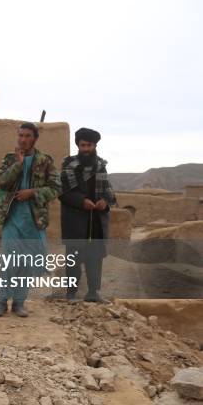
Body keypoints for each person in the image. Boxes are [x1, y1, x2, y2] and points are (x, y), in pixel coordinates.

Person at [0, 122, 61, 317]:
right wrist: (19, 164)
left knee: (28, 264)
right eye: (20, 135)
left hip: (34, 220)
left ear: (35, 138)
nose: (23, 139)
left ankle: (19, 302)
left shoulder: (45, 161)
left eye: (27, 136)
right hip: (12, 217)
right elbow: (1, 181)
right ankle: (1, 301)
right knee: (9, 261)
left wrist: (33, 192)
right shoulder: (9, 159)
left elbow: (56, 188)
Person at [59, 128, 116, 302]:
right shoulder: (69, 166)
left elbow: (108, 192)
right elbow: (62, 193)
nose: (85, 149)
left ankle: (93, 293)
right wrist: (81, 201)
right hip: (75, 220)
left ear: (94, 146)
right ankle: (71, 293)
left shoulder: (101, 166)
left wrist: (104, 202)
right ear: (78, 145)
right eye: (82, 145)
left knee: (95, 257)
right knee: (74, 258)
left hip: (96, 220)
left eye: (89, 145)